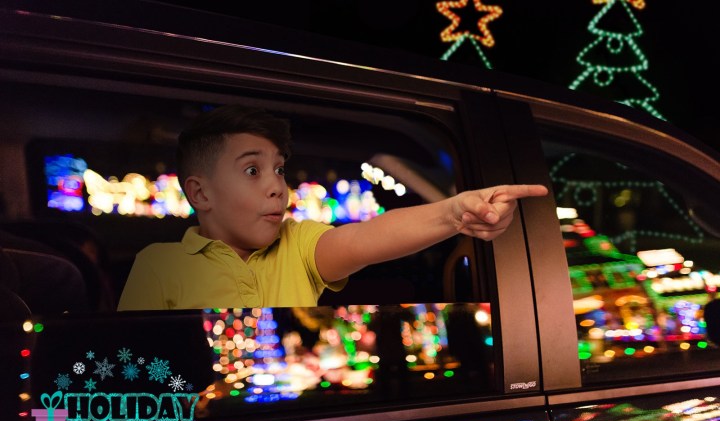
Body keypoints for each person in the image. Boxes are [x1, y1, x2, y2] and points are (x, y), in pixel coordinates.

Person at [117, 105, 547, 310]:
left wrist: (454, 213)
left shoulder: (298, 243)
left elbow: (367, 238)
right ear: (201, 194)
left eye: (280, 170)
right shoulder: (159, 266)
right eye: (252, 171)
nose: (276, 188)